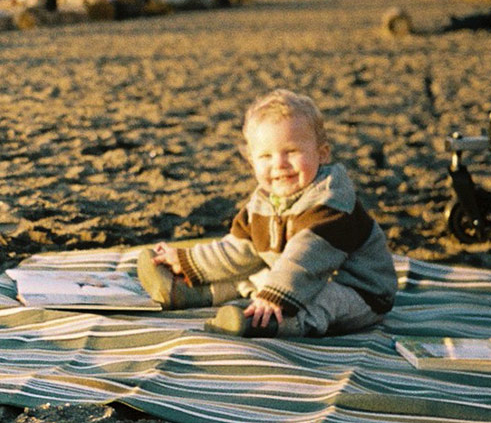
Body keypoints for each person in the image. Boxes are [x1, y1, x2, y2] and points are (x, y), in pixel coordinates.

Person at [137, 89, 397, 338]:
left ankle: (268, 324)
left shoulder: (332, 204)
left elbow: (304, 260)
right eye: (266, 156)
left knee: (321, 300)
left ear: (322, 153)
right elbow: (238, 250)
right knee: (249, 273)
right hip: (292, 276)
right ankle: (188, 292)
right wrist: (187, 260)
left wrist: (274, 294)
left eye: (291, 152)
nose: (279, 165)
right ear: (252, 162)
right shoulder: (263, 201)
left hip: (359, 291)